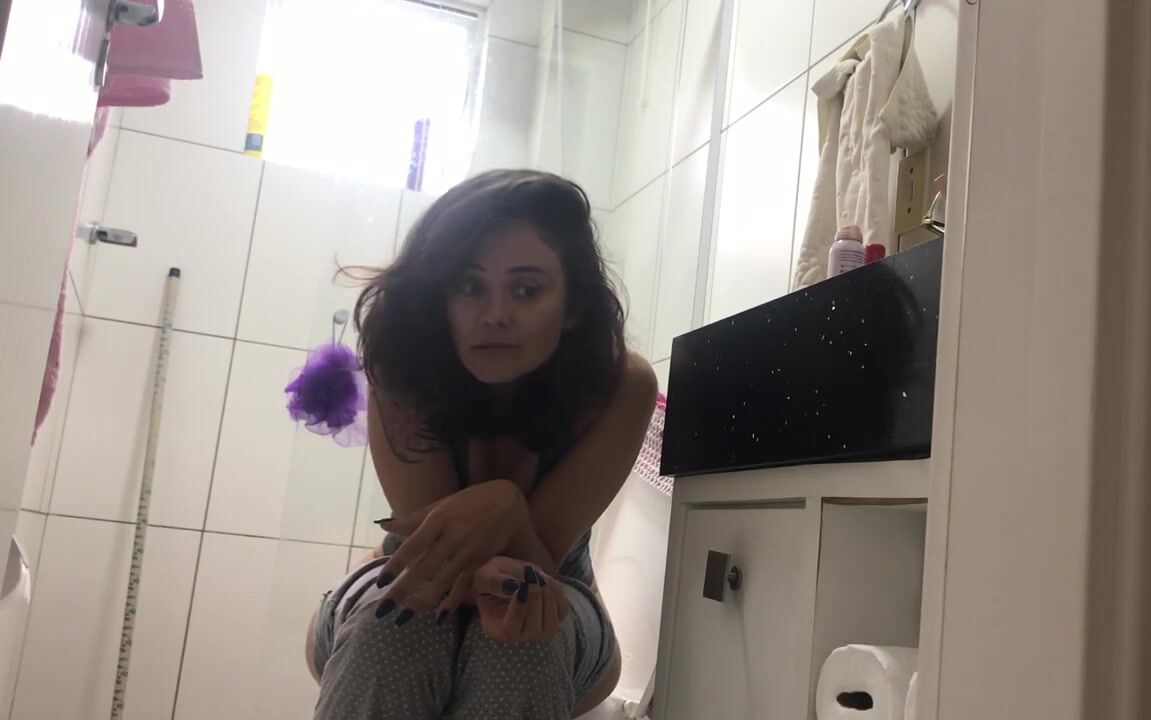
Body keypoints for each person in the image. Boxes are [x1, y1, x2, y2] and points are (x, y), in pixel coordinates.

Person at [305, 169, 658, 719]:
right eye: (469, 286)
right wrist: (504, 503)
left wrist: (506, 506)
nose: (495, 314)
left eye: (527, 290)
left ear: (572, 306)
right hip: (406, 588)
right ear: (439, 298)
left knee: (519, 635)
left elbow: (531, 568)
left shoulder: (621, 386)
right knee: (395, 628)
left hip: (552, 594)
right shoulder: (404, 372)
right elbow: (437, 569)